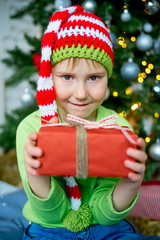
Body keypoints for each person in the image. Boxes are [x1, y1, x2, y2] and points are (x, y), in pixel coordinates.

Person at [16, 5, 148, 240]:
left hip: (108, 228)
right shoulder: (31, 130)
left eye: (94, 78)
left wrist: (130, 183)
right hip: (49, 228)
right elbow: (51, 215)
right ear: (50, 76)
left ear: (108, 77)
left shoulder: (117, 128)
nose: (80, 93)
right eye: (67, 77)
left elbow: (107, 215)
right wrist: (36, 173)